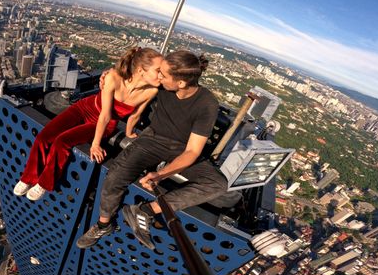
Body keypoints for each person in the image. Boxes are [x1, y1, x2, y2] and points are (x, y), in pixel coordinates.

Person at [76, 50, 228, 250]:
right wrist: (109, 74)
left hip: (182, 149)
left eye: (163, 75)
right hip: (153, 139)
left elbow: (192, 151)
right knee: (116, 175)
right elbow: (135, 66)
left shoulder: (206, 103)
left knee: (218, 184)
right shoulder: (162, 85)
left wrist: (161, 175)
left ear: (180, 83)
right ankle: (104, 224)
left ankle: (146, 210)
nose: (158, 76)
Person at [13, 47, 163, 201]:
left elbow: (135, 115)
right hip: (84, 108)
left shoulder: (151, 91)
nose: (161, 74)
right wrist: (96, 145)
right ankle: (28, 177)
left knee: (62, 142)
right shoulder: (114, 77)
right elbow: (105, 113)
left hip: (106, 124)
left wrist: (129, 133)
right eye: (158, 70)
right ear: (141, 70)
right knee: (44, 136)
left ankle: (44, 183)